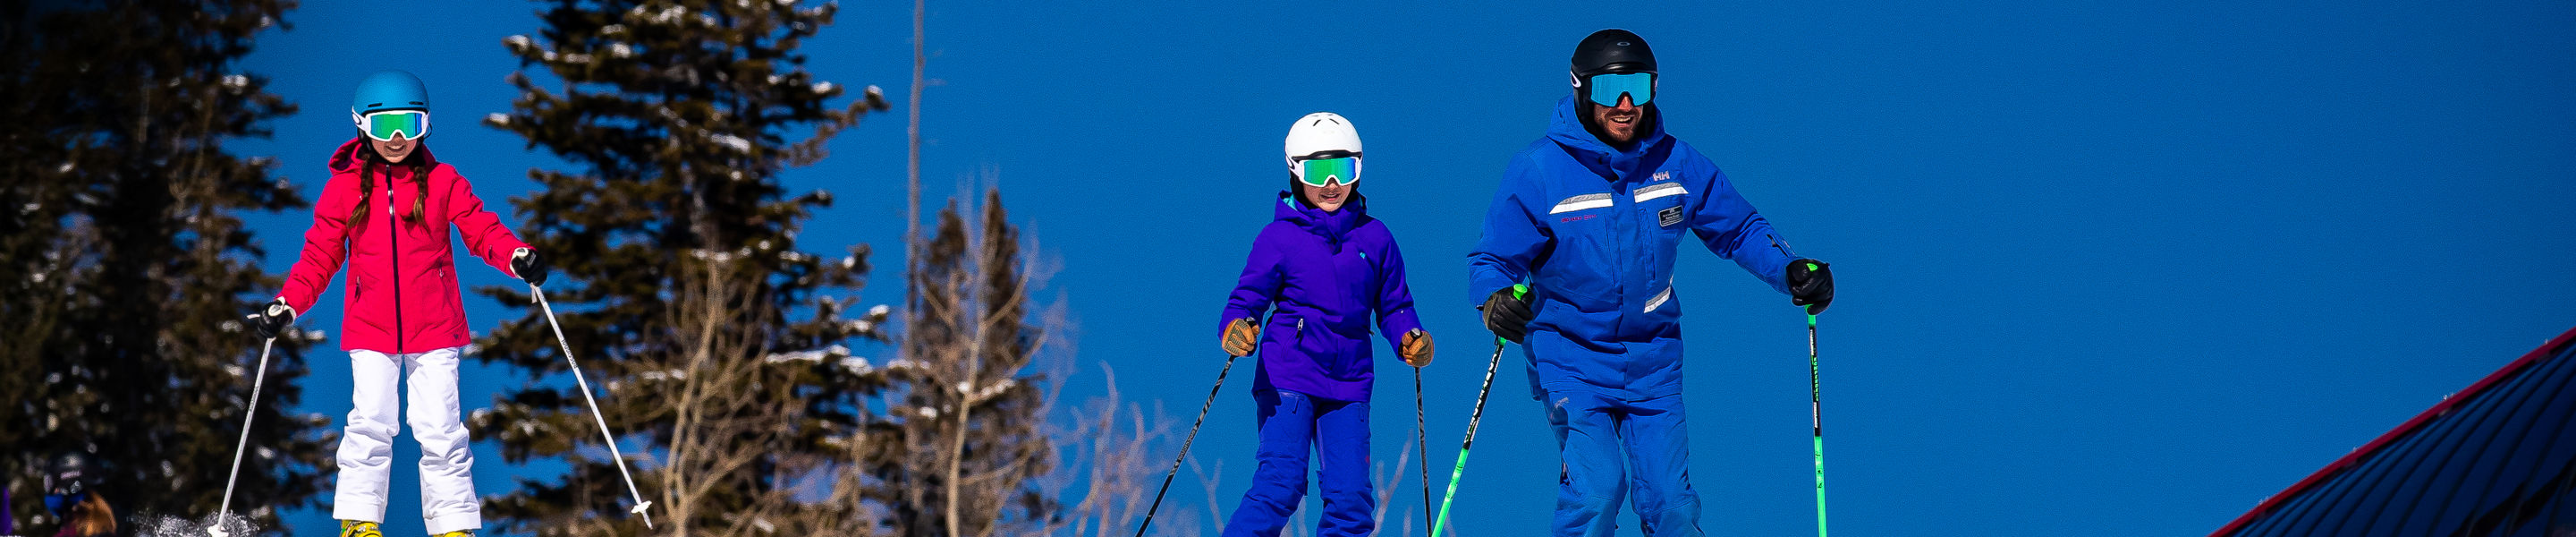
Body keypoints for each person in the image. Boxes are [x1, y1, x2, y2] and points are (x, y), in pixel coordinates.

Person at [1466, 29, 1836, 536]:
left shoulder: (1676, 164)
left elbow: (1739, 227)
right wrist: (1495, 299)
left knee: (1672, 505)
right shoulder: (1541, 171)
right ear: (1580, 89)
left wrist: (1789, 268)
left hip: (1653, 362)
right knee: (1598, 491)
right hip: (1571, 358)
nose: (1624, 105)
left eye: (1637, 88)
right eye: (1607, 90)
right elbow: (1494, 258)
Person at [243, 70, 547, 537]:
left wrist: (515, 255)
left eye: (410, 124)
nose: (399, 138)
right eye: (386, 127)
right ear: (362, 126)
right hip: (371, 328)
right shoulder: (344, 189)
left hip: (437, 327)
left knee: (442, 429)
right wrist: (287, 304)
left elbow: (481, 229)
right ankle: (360, 522)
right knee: (370, 423)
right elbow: (320, 256)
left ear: (426, 125)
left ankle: (453, 526)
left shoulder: (443, 182)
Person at [1216, 112, 1435, 537]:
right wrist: (1237, 327)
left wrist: (1410, 337)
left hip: (1349, 380)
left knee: (1351, 500)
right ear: (1297, 171)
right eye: (1319, 170)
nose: (1332, 183)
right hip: (1289, 373)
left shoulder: (1376, 238)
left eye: (1344, 168)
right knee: (1281, 484)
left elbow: (1394, 305)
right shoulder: (1279, 238)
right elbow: (1247, 298)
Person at [41, 454, 113, 537]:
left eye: (51, 484)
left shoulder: (74, 532)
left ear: (70, 486)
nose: (50, 492)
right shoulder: (102, 527)